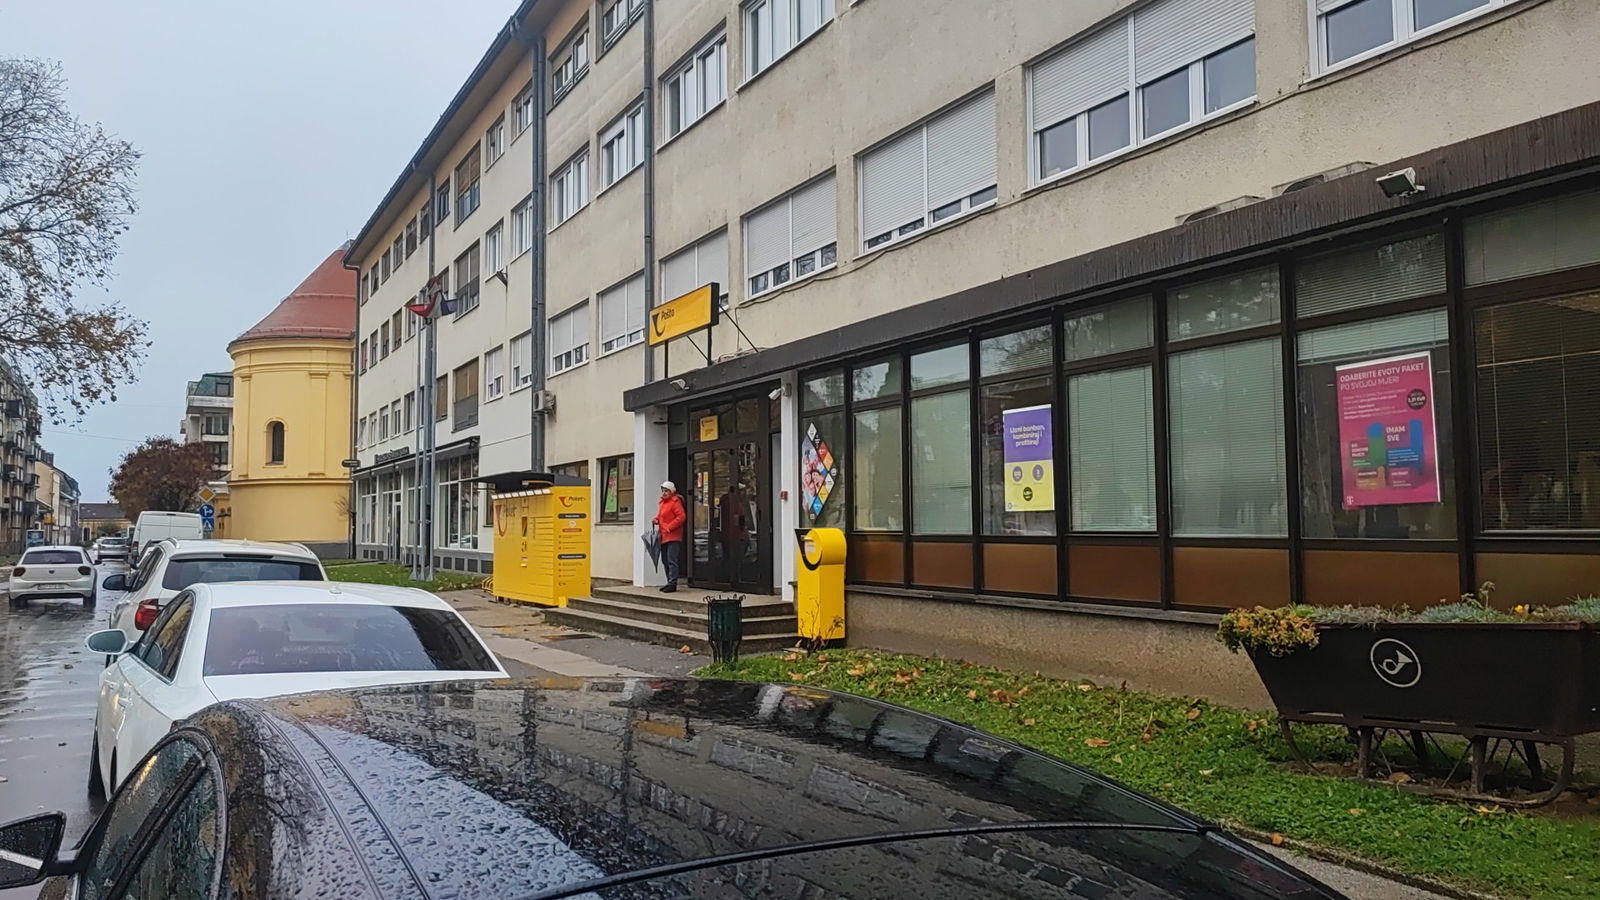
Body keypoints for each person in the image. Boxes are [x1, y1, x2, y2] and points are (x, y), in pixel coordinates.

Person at [655, 481, 687, 592]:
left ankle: (673, 582)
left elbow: (681, 517)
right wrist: (656, 520)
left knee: (671, 559)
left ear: (671, 492)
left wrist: (670, 527)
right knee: (664, 560)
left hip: (673, 536)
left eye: (666, 491)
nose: (664, 493)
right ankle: (669, 581)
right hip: (664, 535)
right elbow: (660, 517)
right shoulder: (663, 503)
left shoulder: (675, 502)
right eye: (663, 491)